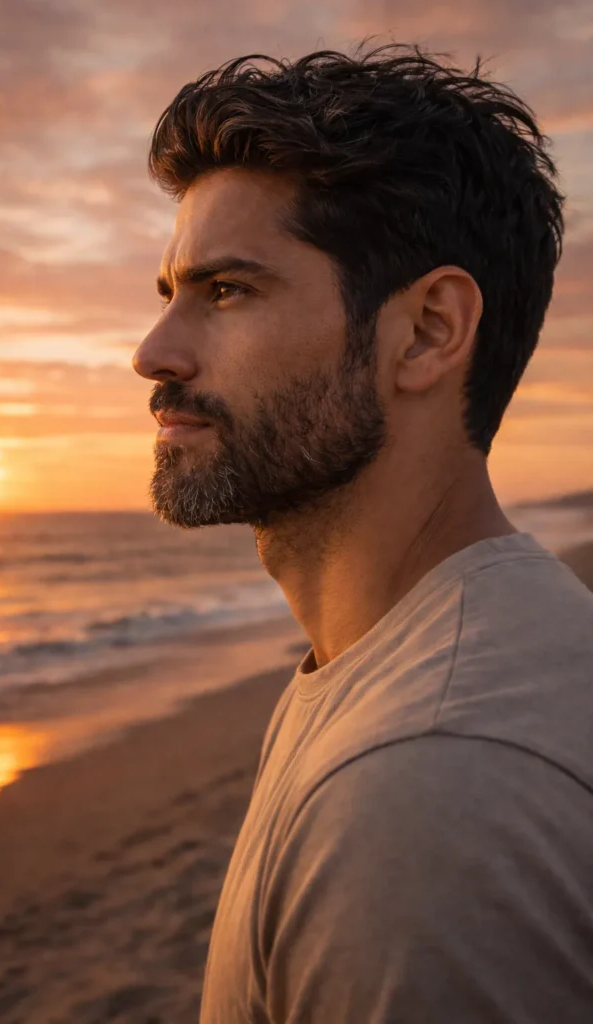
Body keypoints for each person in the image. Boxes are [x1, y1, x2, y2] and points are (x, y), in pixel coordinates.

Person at [132, 41, 593, 1023]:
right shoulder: (449, 653)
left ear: (425, 332)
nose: (152, 352)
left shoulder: (422, 791)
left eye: (225, 290)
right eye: (168, 294)